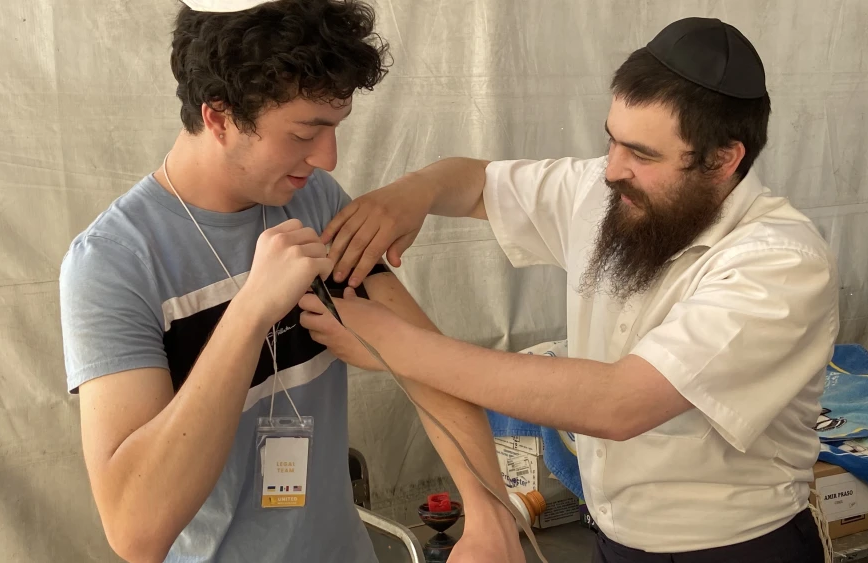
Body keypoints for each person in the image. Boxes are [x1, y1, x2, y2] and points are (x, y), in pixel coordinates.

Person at [300, 17, 839, 563]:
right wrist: (411, 194)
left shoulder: (780, 264)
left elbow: (620, 403)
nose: (612, 170)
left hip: (737, 549)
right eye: (612, 139)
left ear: (724, 159)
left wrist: (392, 343)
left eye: (643, 155)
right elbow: (474, 183)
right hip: (614, 539)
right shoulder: (605, 192)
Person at [58, 1, 523, 562]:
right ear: (220, 117)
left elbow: (427, 361)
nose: (327, 158)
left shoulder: (312, 203)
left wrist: (490, 512)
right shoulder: (113, 262)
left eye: (334, 128)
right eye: (306, 132)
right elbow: (136, 530)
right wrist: (251, 311)